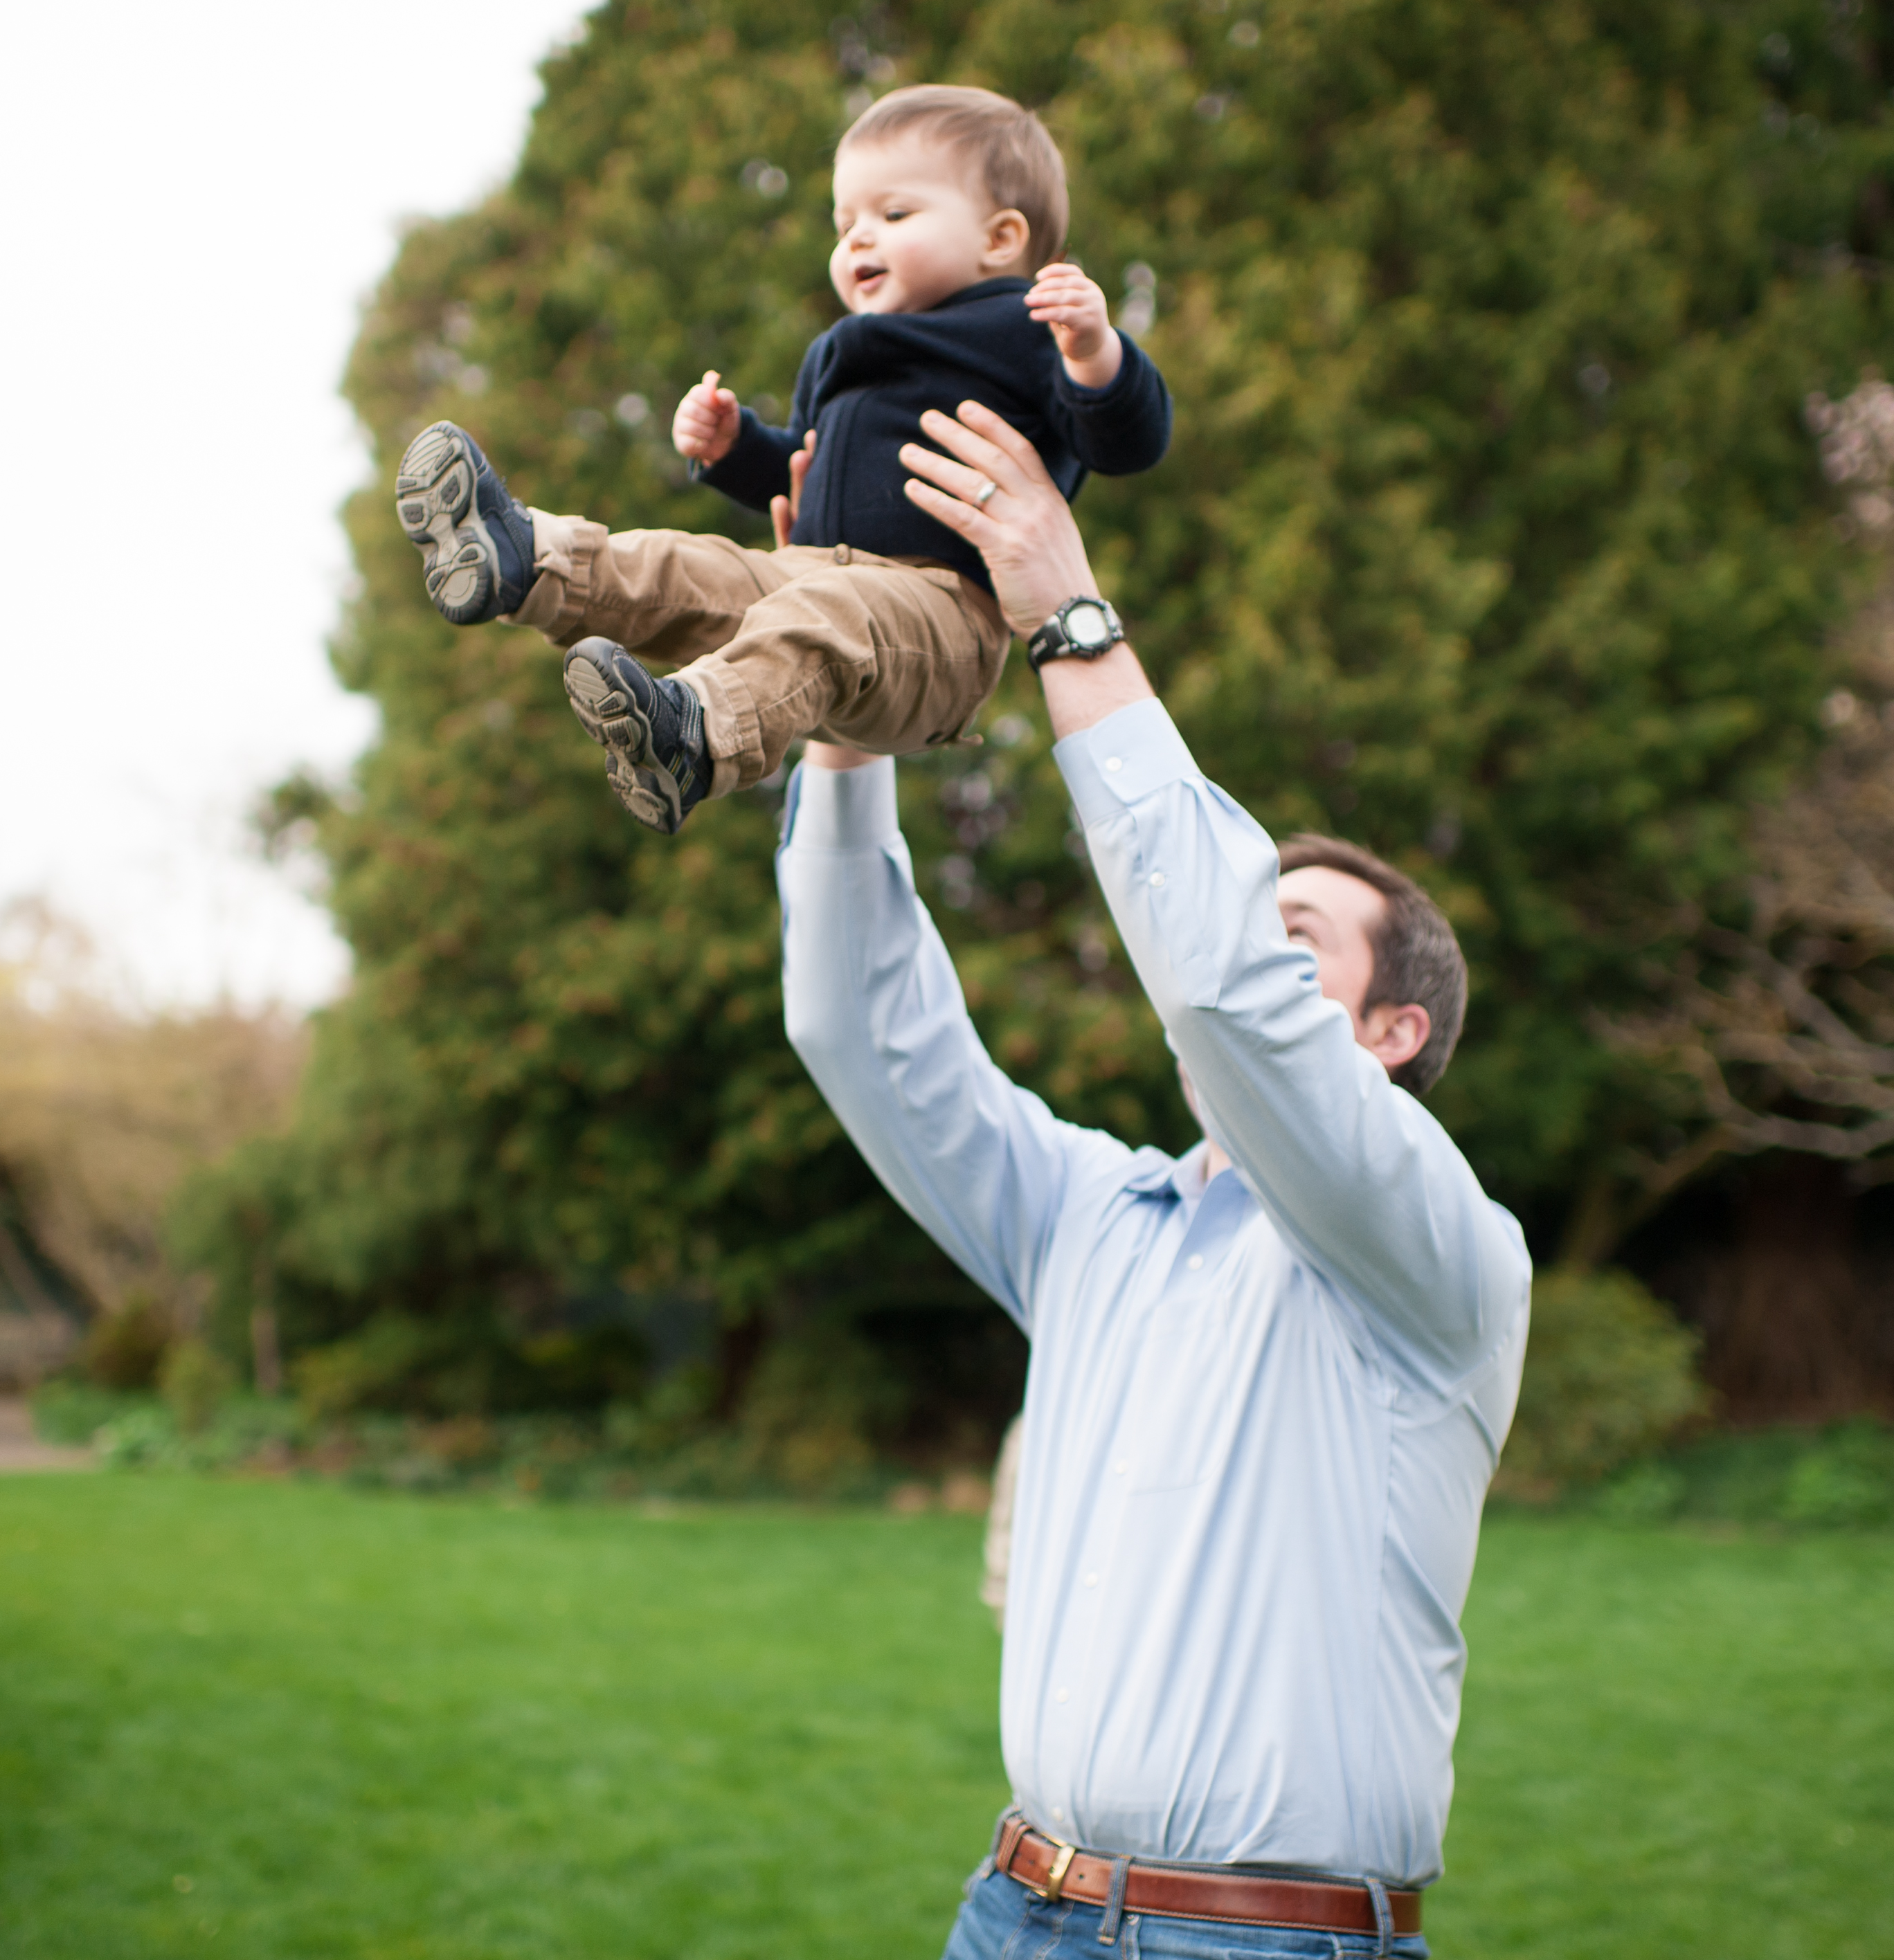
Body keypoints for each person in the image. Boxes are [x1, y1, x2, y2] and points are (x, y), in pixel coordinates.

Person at [778, 400, 1531, 1959]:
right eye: (1251, 911)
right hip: (1010, 1910)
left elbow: (1220, 996)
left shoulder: (1439, 1259)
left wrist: (1067, 608)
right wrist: (844, 696)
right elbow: (857, 1028)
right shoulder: (1095, 1220)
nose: (1254, 940)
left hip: (1257, 1944)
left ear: (1391, 1035)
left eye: (1296, 929)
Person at [391, 83, 1172, 833]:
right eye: (845, 222)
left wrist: (1095, 353)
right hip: (809, 570)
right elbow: (797, 469)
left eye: (893, 212)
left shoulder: (1027, 326)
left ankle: (693, 736)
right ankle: (524, 561)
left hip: (938, 619)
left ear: (999, 238)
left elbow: (1125, 443)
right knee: (689, 567)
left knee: (821, 616)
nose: (857, 237)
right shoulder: (839, 350)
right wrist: (735, 448)